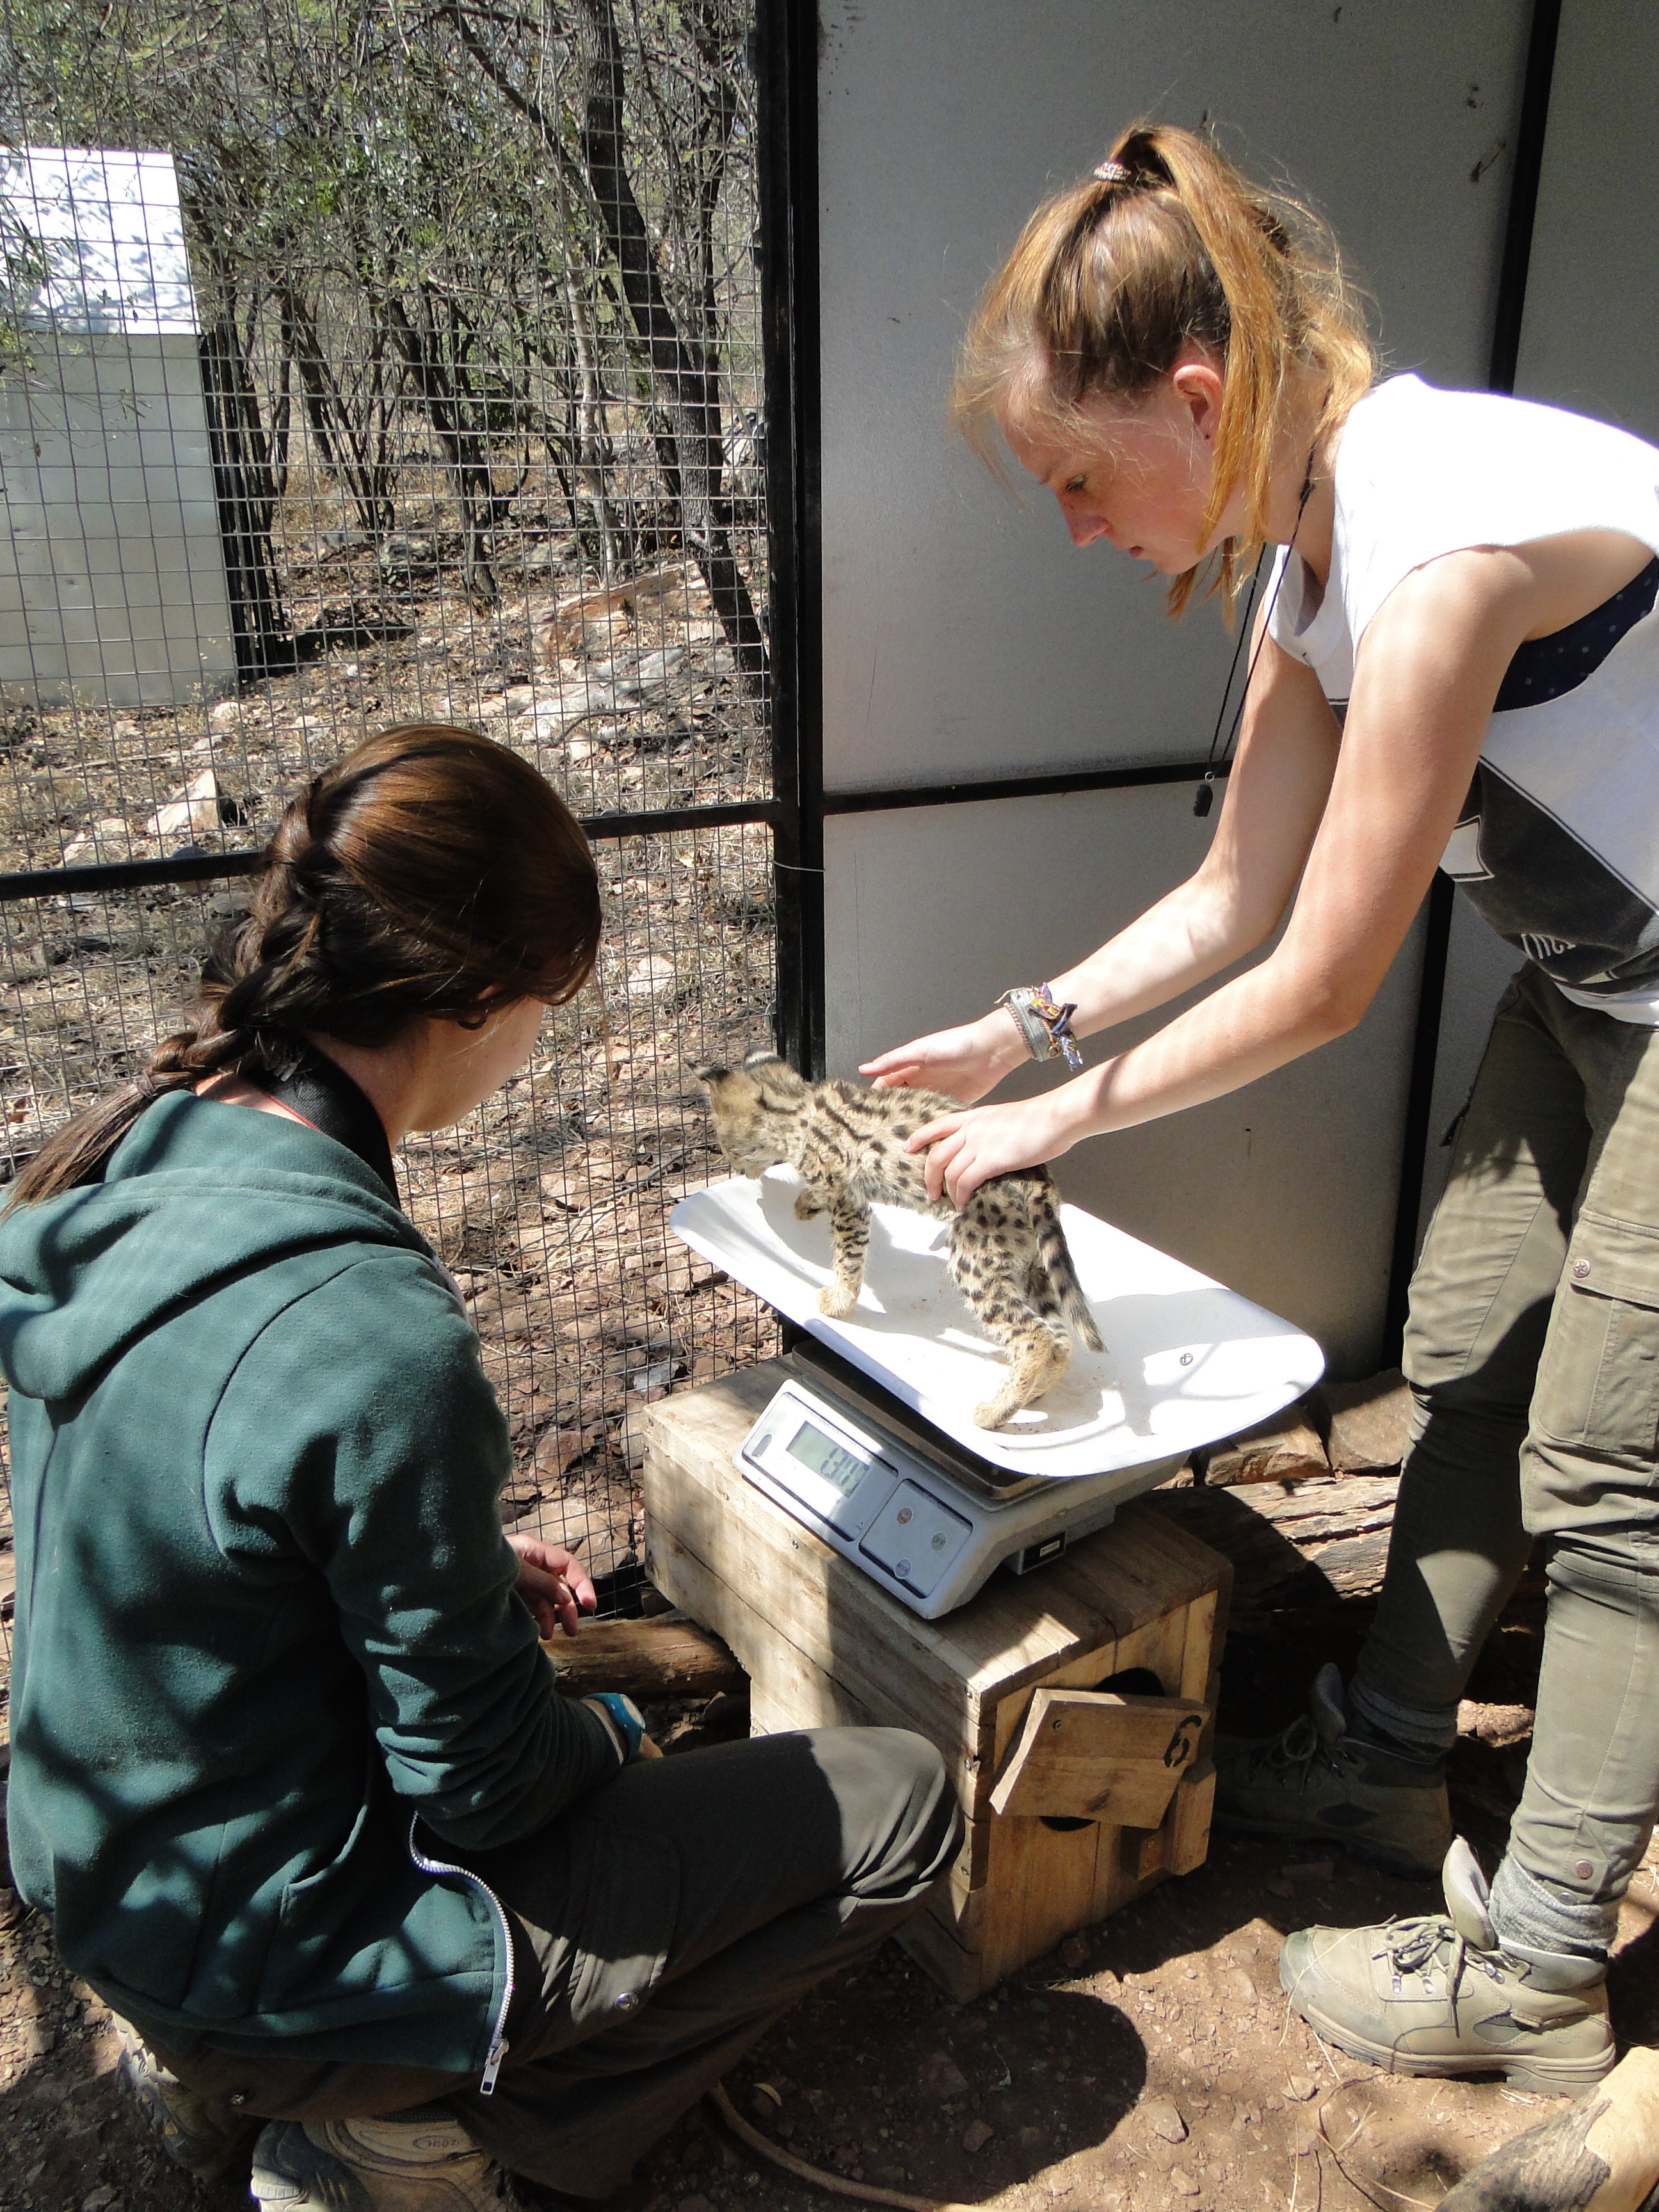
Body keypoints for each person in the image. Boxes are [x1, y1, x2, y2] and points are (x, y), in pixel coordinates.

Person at [861, 122, 1659, 2093]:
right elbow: (1235, 892)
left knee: (1616, 1474)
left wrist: (1065, 1126)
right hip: (1594, 985)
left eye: (1073, 479)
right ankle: (1392, 1764)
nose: (1072, 528)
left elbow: (1323, 975)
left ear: (1198, 402)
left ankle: (1542, 1972)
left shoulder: (1437, 533)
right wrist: (1019, 1034)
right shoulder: (1301, 545)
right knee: (1467, 1347)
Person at [0, 723, 959, 2209]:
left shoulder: (139, 1144)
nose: (533, 1053)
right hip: (294, 1960)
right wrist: (622, 1742)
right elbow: (488, 1787)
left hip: (117, 1884)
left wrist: (447, 1554)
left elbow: (214, 1515)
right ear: (472, 996)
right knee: (899, 1802)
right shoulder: (375, 1328)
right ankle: (425, 2140)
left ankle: (225, 2072)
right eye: (544, 1011)